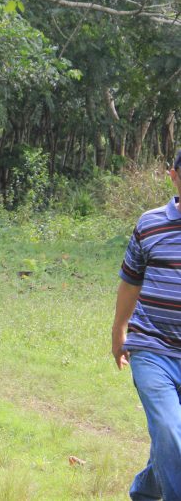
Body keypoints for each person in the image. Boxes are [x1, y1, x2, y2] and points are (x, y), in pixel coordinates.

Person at [112, 149, 181, 501]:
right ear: (174, 176)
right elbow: (130, 281)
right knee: (170, 430)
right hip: (151, 347)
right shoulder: (150, 223)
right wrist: (118, 330)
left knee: (173, 441)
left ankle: (144, 489)